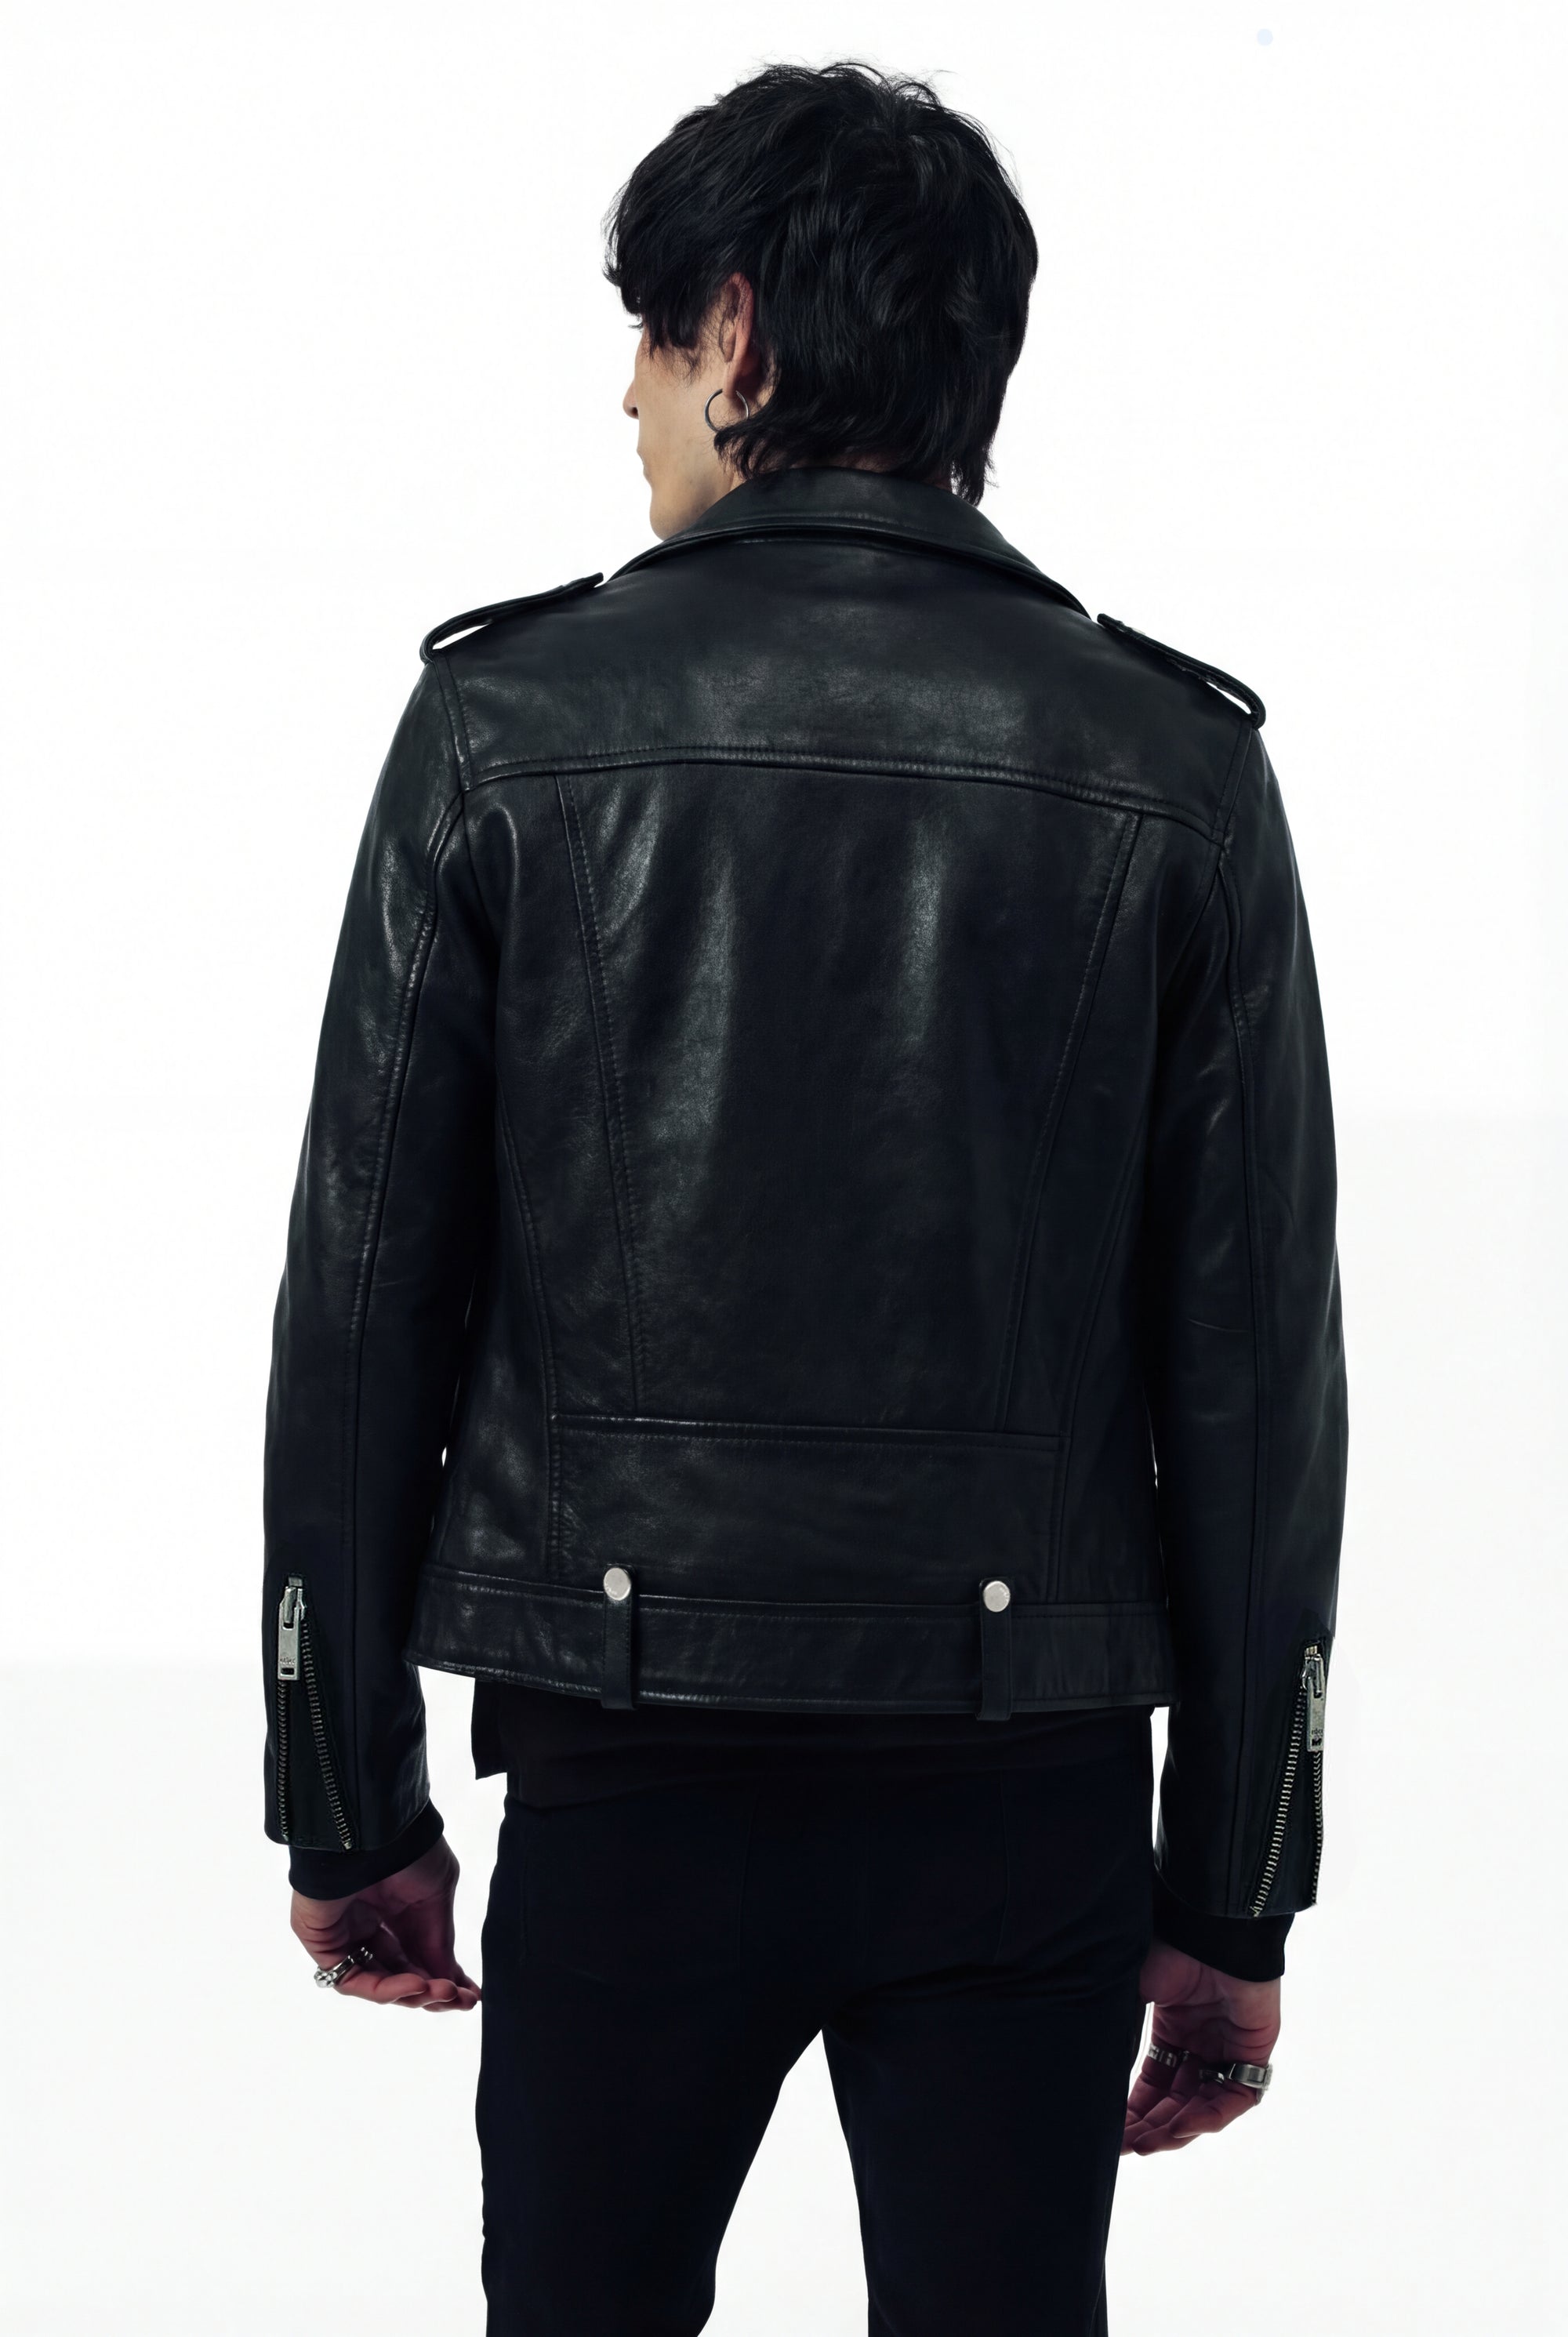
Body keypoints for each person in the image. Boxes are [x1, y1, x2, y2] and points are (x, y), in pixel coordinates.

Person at [265, 60, 1345, 2336]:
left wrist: (346, 1798)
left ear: (738, 331)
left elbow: (364, 1305)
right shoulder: (1173, 765)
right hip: (1028, 1797)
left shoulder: (505, 730)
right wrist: (1233, 1888)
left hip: (624, 1777)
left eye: (650, 335)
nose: (628, 395)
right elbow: (1256, 1380)